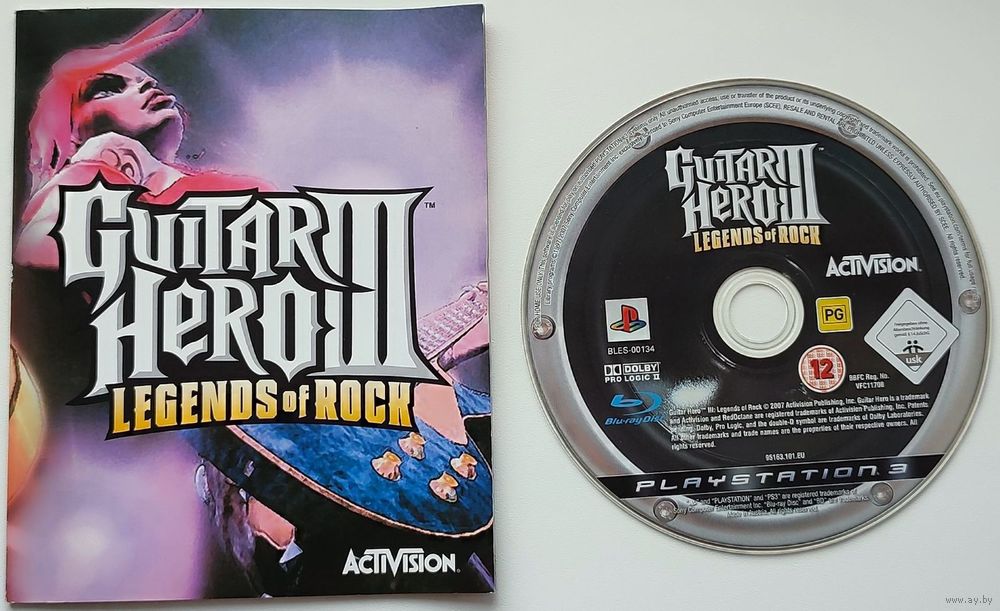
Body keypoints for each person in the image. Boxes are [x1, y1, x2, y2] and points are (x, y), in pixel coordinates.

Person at [13, 9, 493, 598]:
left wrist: (435, 345)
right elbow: (40, 246)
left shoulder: (241, 189)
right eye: (109, 87)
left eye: (145, 78)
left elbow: (329, 335)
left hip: (382, 466)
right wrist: (101, 160)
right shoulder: (87, 193)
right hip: (237, 477)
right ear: (70, 132)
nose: (144, 86)